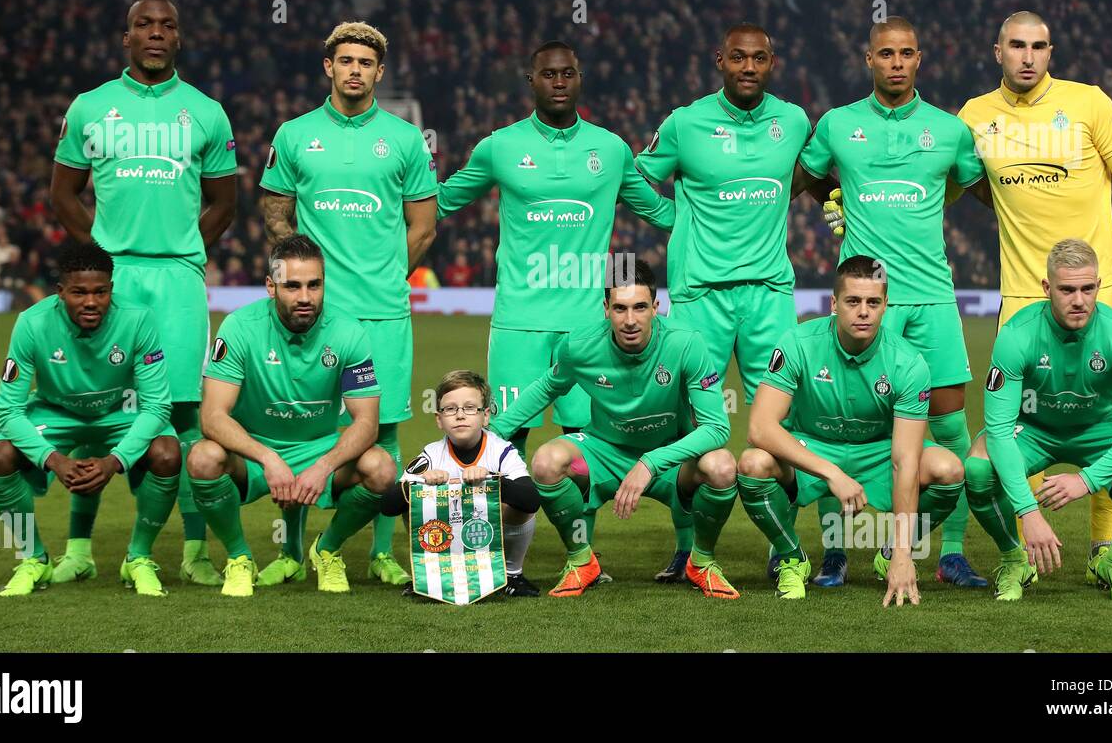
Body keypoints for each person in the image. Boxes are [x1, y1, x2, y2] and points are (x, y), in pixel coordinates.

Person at [435, 40, 685, 579]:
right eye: (548, 74)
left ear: (580, 78)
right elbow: (440, 202)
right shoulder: (500, 147)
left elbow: (662, 214)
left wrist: (713, 204)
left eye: (567, 73)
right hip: (519, 323)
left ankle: (582, 556)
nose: (558, 81)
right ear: (531, 81)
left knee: (580, 449)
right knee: (500, 440)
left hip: (586, 329)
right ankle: (489, 556)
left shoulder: (611, 150)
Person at [956, 10, 1112, 561]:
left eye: (1038, 46)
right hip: (1021, 295)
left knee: (1109, 419)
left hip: (1098, 291)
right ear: (998, 52)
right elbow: (965, 188)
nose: (1028, 56)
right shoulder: (973, 117)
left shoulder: (1089, 103)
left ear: (1051, 52)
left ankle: (1105, 547)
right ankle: (1033, 547)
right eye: (1016, 45)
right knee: (1024, 424)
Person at [50, 0, 237, 587]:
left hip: (178, 281)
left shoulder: (207, 112)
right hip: (114, 280)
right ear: (125, 37)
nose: (156, 33)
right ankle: (79, 550)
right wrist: (101, 259)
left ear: (179, 39)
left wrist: (184, 247)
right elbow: (62, 193)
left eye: (167, 25)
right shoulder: (90, 107)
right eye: (143, 24)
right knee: (98, 410)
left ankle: (191, 552)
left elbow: (224, 202)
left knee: (185, 415)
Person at [797, 16, 987, 588]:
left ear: (919, 59)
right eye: (886, 53)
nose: (896, 62)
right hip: (866, 298)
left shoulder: (949, 130)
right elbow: (804, 176)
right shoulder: (838, 124)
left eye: (906, 53)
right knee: (841, 425)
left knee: (950, 430)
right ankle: (836, 550)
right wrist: (833, 198)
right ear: (868, 59)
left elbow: (974, 188)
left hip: (931, 299)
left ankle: (946, 550)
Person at [634, 23, 815, 579]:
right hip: (699, 297)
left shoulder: (793, 120)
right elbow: (637, 176)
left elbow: (811, 173)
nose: (748, 67)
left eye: (759, 58)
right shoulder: (685, 123)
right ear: (720, 60)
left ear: (772, 62)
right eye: (738, 57)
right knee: (690, 422)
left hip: (768, 294)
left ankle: (780, 545)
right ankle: (688, 547)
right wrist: (676, 218)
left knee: (782, 421)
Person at [260, 21, 437, 587]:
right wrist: (301, 278)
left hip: (383, 311)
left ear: (379, 73)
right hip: (315, 315)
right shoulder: (293, 134)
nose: (355, 70)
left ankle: (380, 551)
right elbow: (276, 213)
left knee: (382, 430)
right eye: (346, 61)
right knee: (303, 427)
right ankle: (289, 550)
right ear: (328, 68)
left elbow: (425, 227)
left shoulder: (407, 139)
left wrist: (384, 277)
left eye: (366, 62)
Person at [487, 260, 738, 599]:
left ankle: (700, 562)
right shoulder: (580, 345)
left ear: (656, 307)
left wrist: (650, 462)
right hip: (604, 451)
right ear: (606, 309)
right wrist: (493, 431)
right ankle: (581, 561)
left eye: (639, 307)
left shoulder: (686, 343)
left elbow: (717, 428)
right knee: (547, 462)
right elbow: (547, 387)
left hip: (670, 457)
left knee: (721, 467)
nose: (630, 320)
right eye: (620, 308)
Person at [738, 255, 966, 605]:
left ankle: (890, 553)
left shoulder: (908, 363)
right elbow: (759, 427)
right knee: (752, 464)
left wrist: (906, 552)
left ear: (885, 306)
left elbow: (905, 460)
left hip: (876, 452)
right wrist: (831, 473)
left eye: (873, 302)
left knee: (949, 469)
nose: (863, 311)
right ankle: (790, 555)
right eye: (853, 301)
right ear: (834, 304)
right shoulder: (798, 342)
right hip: (812, 448)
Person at [964, 240, 1112, 602]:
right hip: (1032, 429)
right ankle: (1014, 559)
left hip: (1099, 428)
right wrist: (1028, 511)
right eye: (1066, 290)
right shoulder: (1016, 335)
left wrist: (1088, 480)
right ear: (1047, 289)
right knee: (977, 470)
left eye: (1087, 288)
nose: (1078, 300)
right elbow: (1000, 430)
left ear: (1098, 286)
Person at [186, 235, 395, 596]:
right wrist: (268, 458)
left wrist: (324, 466)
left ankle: (326, 548)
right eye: (292, 286)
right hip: (255, 450)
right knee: (203, 457)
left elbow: (366, 423)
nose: (304, 297)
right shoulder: (239, 327)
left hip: (319, 447)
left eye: (314, 285)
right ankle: (239, 557)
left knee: (382, 468)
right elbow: (213, 417)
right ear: (271, 286)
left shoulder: (349, 332)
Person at [0, 241, 180, 597]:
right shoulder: (31, 323)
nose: (91, 302)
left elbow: (156, 406)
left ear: (111, 289)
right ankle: (34, 557)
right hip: (55, 410)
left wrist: (115, 462)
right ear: (60, 292)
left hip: (119, 410)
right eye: (79, 292)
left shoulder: (138, 319)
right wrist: (53, 460)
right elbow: (6, 409)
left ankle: (137, 557)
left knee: (168, 452)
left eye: (100, 292)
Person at [379, 370, 541, 597]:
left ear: (485, 416)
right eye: (450, 409)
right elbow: (387, 505)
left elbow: (531, 501)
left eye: (469, 408)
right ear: (439, 419)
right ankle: (428, 575)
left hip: (482, 530)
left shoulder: (501, 451)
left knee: (519, 508)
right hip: (446, 534)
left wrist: (492, 481)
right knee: (413, 498)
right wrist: (420, 484)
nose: (460, 415)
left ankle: (512, 575)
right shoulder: (432, 454)